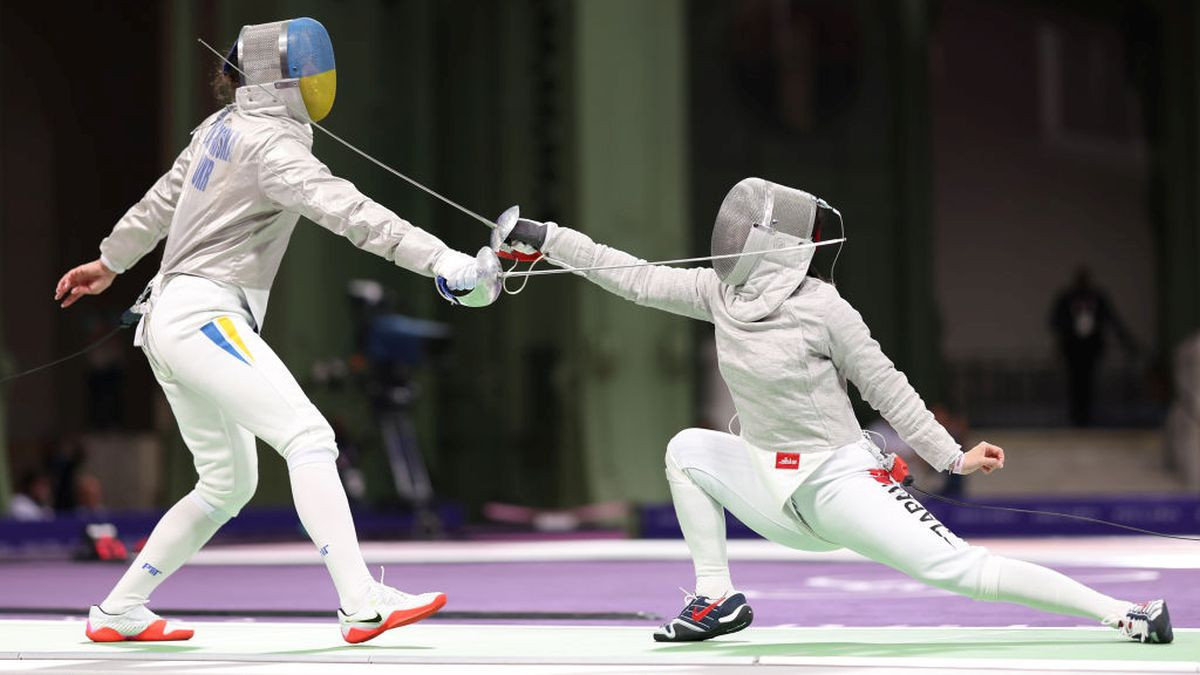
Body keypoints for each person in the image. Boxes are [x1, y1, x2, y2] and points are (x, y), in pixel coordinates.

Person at [500, 178, 1173, 644]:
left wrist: (948, 454)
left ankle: (1126, 613)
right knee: (687, 449)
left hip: (838, 484)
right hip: (772, 485)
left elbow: (884, 382)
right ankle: (717, 596)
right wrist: (548, 237)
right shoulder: (717, 293)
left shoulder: (822, 308)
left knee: (961, 569)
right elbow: (634, 275)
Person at [54, 18, 496, 644]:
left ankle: (118, 609)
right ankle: (361, 601)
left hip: (169, 318)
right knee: (309, 435)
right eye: (310, 76)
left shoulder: (219, 129)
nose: (320, 87)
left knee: (229, 483)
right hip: (201, 315)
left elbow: (159, 202)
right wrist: (444, 260)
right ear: (281, 83)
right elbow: (351, 213)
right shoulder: (271, 145)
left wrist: (109, 261)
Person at [1048, 268, 1136, 426]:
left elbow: (1111, 319)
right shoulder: (1067, 298)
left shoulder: (1098, 297)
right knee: (1075, 380)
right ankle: (1076, 415)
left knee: (1088, 380)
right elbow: (1055, 320)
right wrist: (1068, 329)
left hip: (1091, 347)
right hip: (1072, 347)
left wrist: (1127, 341)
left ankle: (1087, 414)